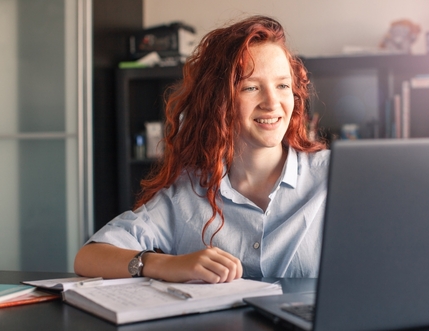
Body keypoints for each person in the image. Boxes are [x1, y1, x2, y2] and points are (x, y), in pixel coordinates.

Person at [74, 15, 329, 284]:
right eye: (251, 87)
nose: (272, 102)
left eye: (282, 86)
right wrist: (164, 264)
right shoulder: (188, 192)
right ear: (219, 101)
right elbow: (89, 257)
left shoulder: (335, 176)